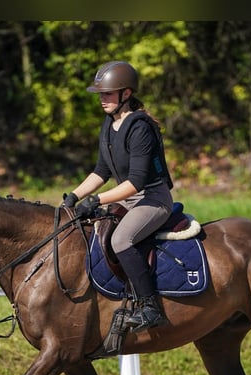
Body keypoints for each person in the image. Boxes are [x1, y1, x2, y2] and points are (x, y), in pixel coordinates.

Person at [63, 60, 175, 333]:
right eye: (100, 94)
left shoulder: (140, 128)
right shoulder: (109, 123)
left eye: (108, 94)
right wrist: (74, 196)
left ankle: (150, 308)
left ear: (126, 94)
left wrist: (97, 200)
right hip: (126, 198)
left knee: (121, 239)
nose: (102, 99)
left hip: (152, 198)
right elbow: (101, 171)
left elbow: (136, 182)